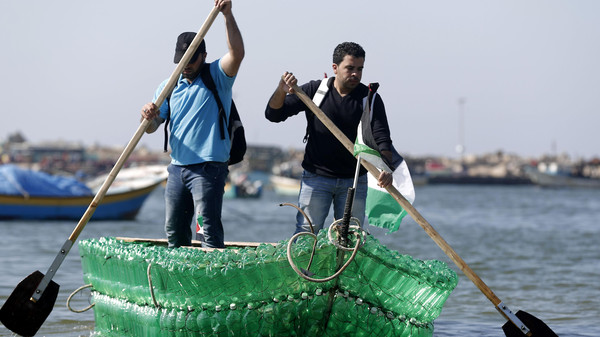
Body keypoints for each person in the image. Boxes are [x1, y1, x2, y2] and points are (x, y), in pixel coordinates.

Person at [140, 0, 244, 248]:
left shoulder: (217, 76)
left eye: (191, 59)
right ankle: (178, 279)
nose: (185, 65)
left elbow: (237, 54)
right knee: (173, 229)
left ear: (203, 56)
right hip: (177, 168)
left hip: (209, 168)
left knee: (207, 227)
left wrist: (227, 16)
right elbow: (152, 126)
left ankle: (211, 277)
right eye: (181, 60)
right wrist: (147, 115)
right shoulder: (170, 85)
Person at [265, 42, 393, 234]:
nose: (356, 74)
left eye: (360, 69)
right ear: (335, 68)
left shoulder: (370, 99)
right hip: (316, 178)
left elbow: (382, 137)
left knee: (351, 238)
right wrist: (281, 90)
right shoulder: (314, 91)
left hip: (354, 180)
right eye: (350, 68)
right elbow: (274, 115)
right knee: (306, 234)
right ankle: (303, 265)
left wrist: (385, 167)